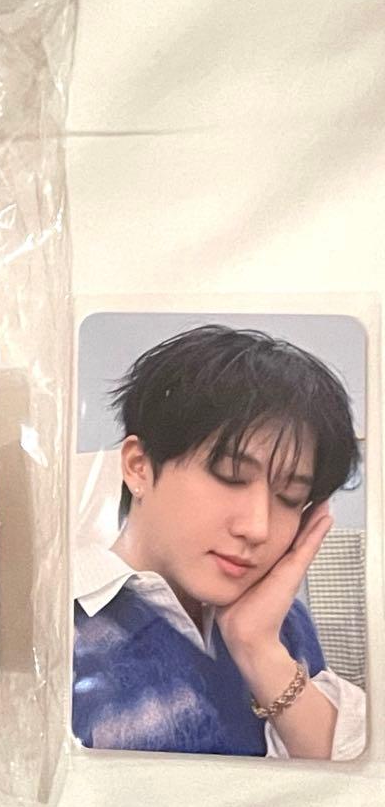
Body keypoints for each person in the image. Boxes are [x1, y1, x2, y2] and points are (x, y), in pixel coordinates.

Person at [73, 324, 366, 758]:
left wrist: (258, 648)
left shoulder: (282, 622)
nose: (258, 528)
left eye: (290, 497)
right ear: (138, 466)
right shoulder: (55, 624)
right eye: (230, 477)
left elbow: (358, 780)